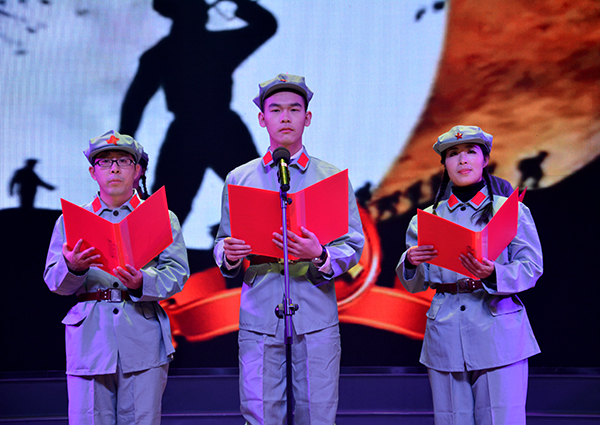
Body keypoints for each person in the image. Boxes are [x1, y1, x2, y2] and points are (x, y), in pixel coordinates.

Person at [213, 74, 364, 424]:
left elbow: (353, 243)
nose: (285, 117)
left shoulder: (331, 176)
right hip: (260, 308)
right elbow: (223, 240)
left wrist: (321, 254)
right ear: (262, 118)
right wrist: (229, 255)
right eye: (276, 110)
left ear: (307, 118)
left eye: (294, 110)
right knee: (260, 411)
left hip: (314, 306)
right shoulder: (240, 177)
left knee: (318, 412)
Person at [395, 125, 543, 425]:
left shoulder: (510, 211)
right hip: (446, 332)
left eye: (470, 152)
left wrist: (494, 273)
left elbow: (531, 267)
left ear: (484, 160)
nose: (462, 160)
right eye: (453, 154)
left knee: (502, 419)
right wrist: (409, 261)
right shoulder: (425, 219)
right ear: (445, 164)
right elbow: (415, 283)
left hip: (498, 330)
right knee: (451, 419)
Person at [43, 130, 190, 425]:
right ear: (92, 172)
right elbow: (53, 281)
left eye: (123, 161)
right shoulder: (72, 220)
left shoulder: (161, 216)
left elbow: (177, 272)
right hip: (90, 339)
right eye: (104, 162)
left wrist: (142, 282)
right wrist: (73, 267)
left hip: (143, 336)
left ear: (137, 171)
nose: (114, 168)